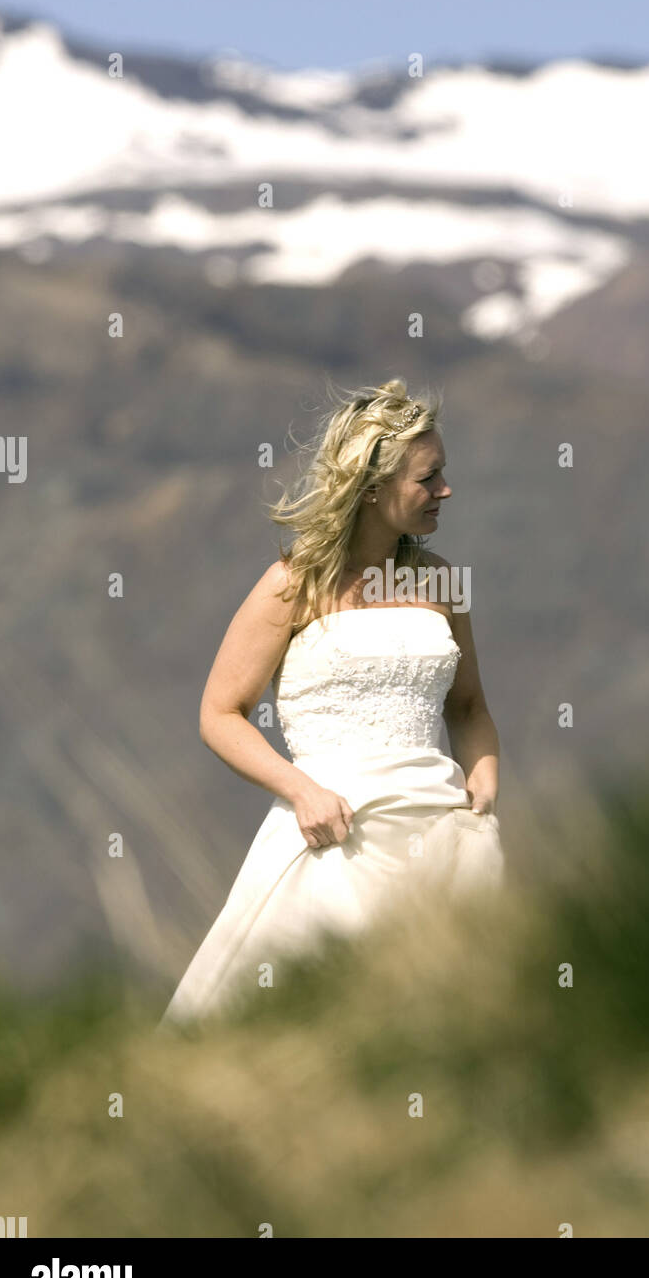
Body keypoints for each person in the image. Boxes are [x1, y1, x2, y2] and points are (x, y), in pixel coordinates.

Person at [159, 378, 503, 1026]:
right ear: (373, 486)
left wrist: (484, 775)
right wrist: (301, 792)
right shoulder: (293, 584)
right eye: (429, 478)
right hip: (334, 834)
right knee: (327, 1017)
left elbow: (468, 707)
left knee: (452, 1017)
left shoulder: (441, 582)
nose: (446, 491)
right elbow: (219, 713)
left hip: (442, 832)